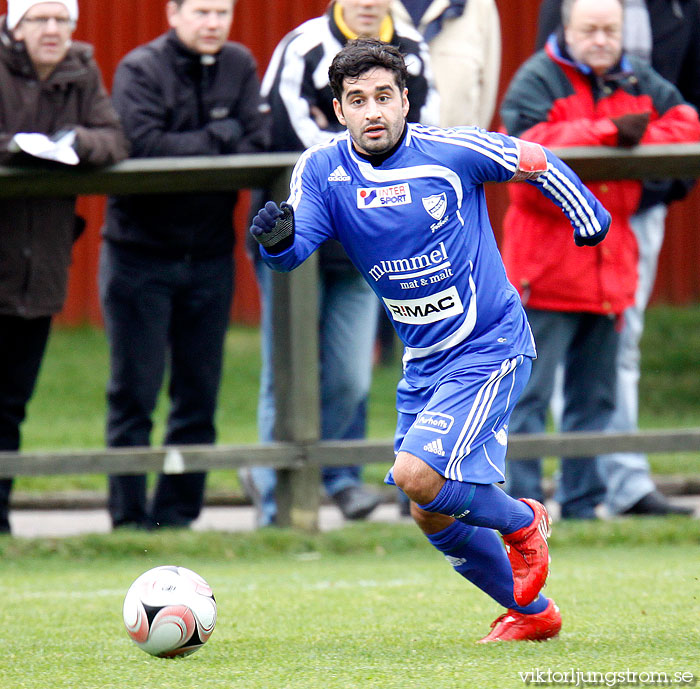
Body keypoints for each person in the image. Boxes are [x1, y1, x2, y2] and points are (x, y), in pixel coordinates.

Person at [249, 38, 612, 641]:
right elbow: (292, 257)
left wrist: (585, 211)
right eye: (357, 100)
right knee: (428, 506)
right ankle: (534, 615)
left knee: (417, 475)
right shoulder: (322, 170)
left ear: (404, 101)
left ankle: (523, 520)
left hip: (489, 343)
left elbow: (534, 159)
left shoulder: (451, 150)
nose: (372, 112)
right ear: (340, 110)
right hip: (424, 362)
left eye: (383, 97)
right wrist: (277, 240)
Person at [241, 0, 440, 527]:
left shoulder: (413, 50)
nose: (370, 3)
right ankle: (274, 498)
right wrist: (365, 167)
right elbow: (283, 130)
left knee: (352, 375)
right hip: (295, 234)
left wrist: (375, 165)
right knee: (284, 373)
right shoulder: (302, 46)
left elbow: (429, 135)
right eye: (356, 99)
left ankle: (342, 478)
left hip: (369, 245)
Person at [499, 0, 700, 519]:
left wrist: (631, 138)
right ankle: (522, 514)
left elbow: (685, 123)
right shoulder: (537, 79)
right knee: (527, 397)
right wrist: (612, 135)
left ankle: (584, 506)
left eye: (610, 29)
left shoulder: (638, 78)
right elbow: (526, 153)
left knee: (595, 401)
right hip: (544, 270)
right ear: (567, 30)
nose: (601, 39)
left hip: (608, 270)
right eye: (590, 29)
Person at [100, 0, 269, 529]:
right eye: (201, 11)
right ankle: (127, 523)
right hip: (138, 255)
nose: (213, 22)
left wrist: (207, 144)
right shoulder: (140, 69)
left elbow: (260, 141)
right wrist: (220, 139)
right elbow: (144, 147)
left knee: (198, 395)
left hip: (211, 255)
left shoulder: (240, 65)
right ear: (173, 14)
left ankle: (176, 519)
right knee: (135, 394)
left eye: (222, 11)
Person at [0, 0, 128, 535]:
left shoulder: (82, 69)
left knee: (11, 406)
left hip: (42, 266)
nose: (51, 30)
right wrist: (18, 151)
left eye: (60, 19)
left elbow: (115, 139)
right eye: (39, 19)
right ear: (16, 26)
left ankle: (1, 521)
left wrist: (75, 144)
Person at [391, 0, 501, 128]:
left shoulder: (479, 6)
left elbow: (488, 89)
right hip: (390, 145)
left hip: (459, 143)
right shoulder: (371, 6)